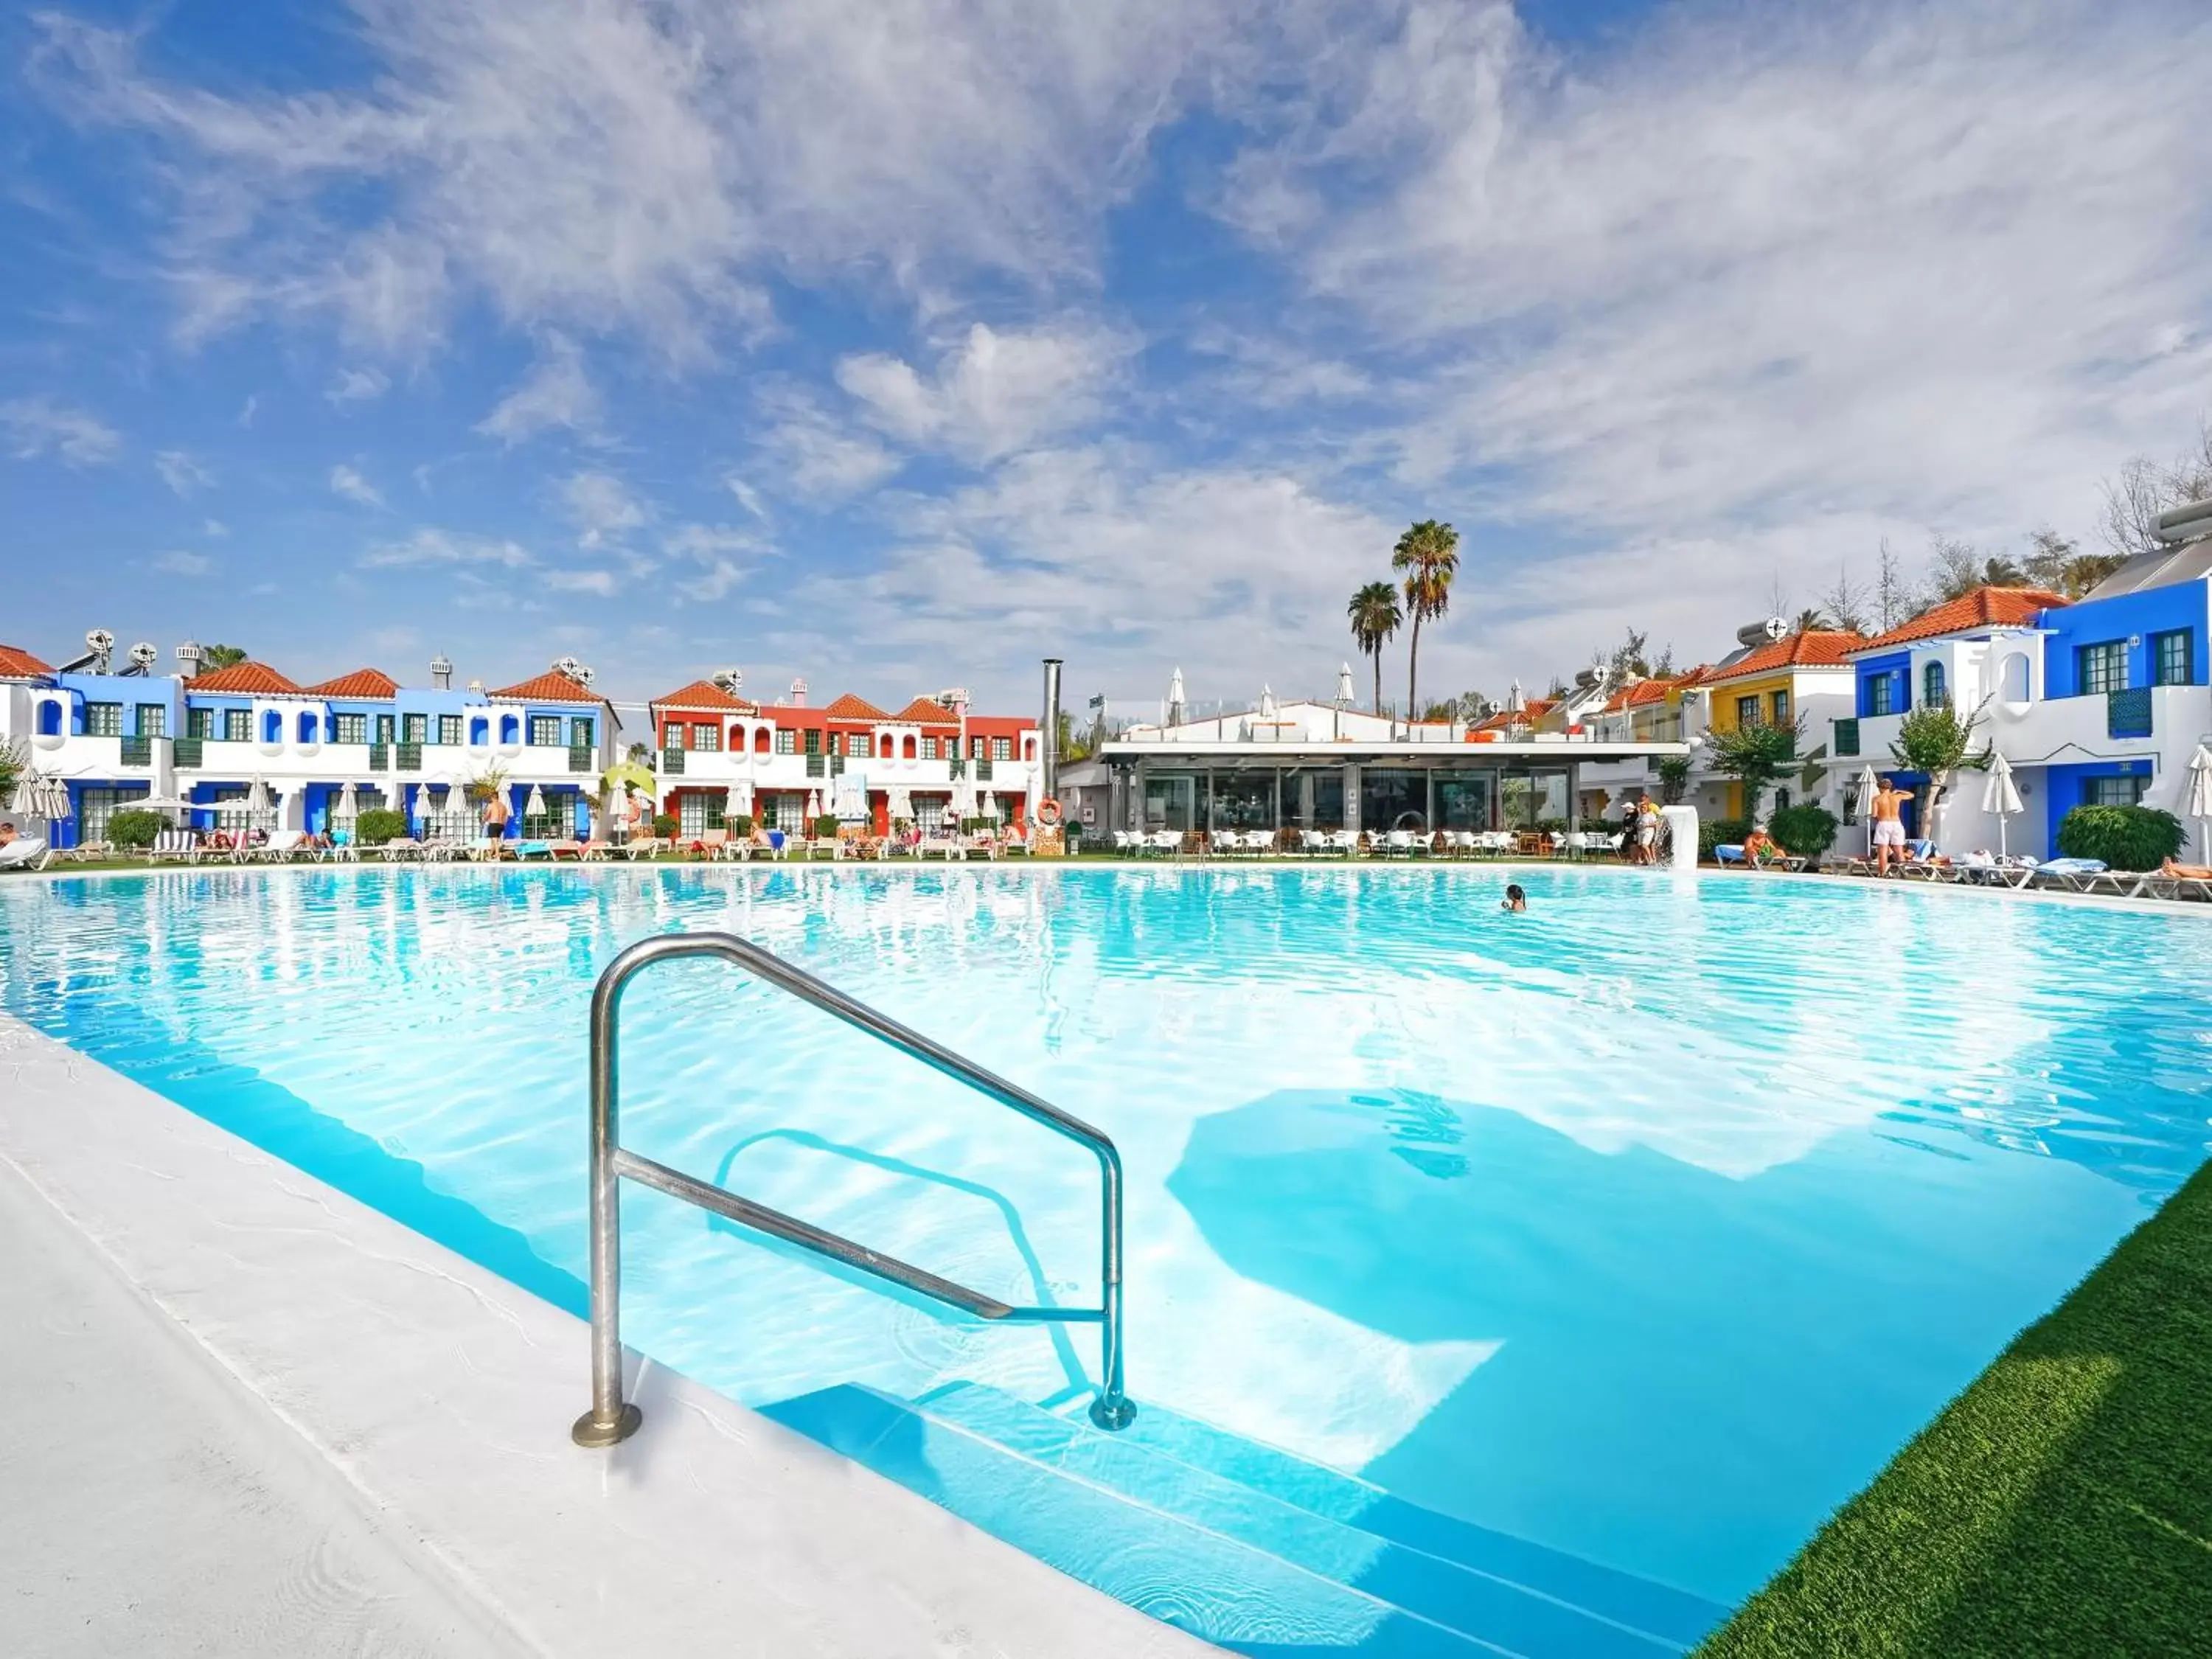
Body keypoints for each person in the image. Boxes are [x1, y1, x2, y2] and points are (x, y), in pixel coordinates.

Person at [1871, 779, 1914, 874]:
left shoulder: (1876, 798)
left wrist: (1877, 817)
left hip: (1884, 823)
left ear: (1880, 788)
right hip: (1897, 824)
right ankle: (1903, 873)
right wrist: (1899, 790)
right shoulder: (1896, 796)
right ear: (1890, 787)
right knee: (1899, 850)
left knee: (1883, 850)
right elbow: (1912, 795)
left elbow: (1874, 815)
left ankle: (1882, 873)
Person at [1635, 796, 1660, 865]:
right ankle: (1646, 860)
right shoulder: (1640, 815)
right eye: (1642, 808)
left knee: (1644, 845)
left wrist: (1647, 825)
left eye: (1644, 808)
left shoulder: (1651, 814)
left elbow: (1656, 824)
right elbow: (1638, 821)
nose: (1643, 809)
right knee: (1641, 847)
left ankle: (1651, 859)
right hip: (1641, 832)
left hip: (1648, 831)